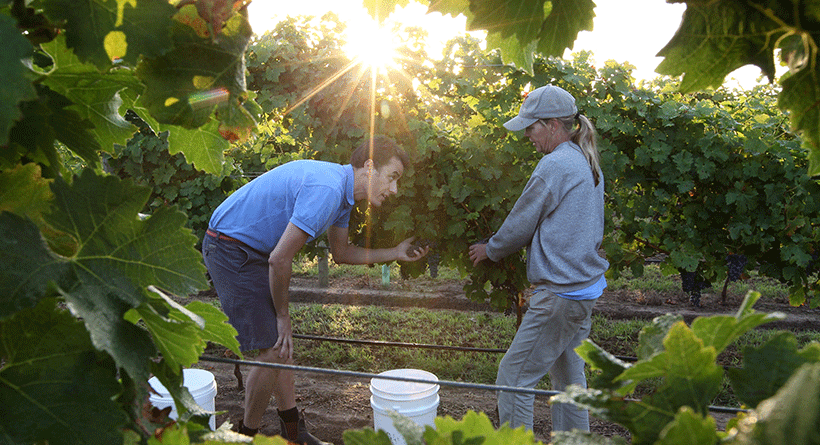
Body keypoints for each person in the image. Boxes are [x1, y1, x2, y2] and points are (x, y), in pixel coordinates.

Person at [203, 135, 429, 444]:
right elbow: (280, 258)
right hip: (230, 248)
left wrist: (396, 251)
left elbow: (342, 253)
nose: (394, 189)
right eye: (392, 177)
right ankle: (244, 437)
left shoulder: (342, 196)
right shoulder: (328, 189)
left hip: (252, 250)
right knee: (271, 348)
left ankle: (294, 432)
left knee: (281, 345)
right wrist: (282, 316)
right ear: (369, 166)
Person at [468, 85, 609, 433]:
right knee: (569, 384)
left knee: (512, 377)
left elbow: (522, 221)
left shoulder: (555, 164)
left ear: (553, 125)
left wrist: (491, 248)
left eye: (531, 127)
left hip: (559, 296)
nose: (528, 135)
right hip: (582, 292)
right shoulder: (586, 161)